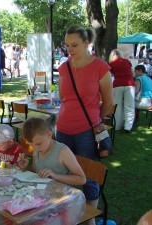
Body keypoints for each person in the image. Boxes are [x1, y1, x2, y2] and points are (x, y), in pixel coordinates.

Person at [56, 25, 114, 225]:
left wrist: (95, 120)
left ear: (87, 43)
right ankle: (65, 213)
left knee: (88, 174)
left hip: (86, 131)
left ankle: (90, 218)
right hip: (62, 128)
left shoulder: (100, 66)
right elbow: (62, 96)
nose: (69, 49)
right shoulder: (64, 67)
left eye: (74, 45)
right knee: (62, 172)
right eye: (67, 45)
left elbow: (108, 102)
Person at [17, 118, 86, 185]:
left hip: (60, 193)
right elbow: (36, 172)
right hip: (41, 192)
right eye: (31, 145)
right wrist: (25, 168)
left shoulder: (63, 151)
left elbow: (82, 179)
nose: (35, 148)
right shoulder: (37, 149)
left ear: (49, 134)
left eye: (38, 144)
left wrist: (55, 176)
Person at [109, 49, 135, 132]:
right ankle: (128, 127)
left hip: (117, 84)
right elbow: (132, 73)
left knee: (117, 106)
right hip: (130, 84)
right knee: (129, 106)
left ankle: (117, 125)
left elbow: (110, 76)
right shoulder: (126, 61)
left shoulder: (111, 64)